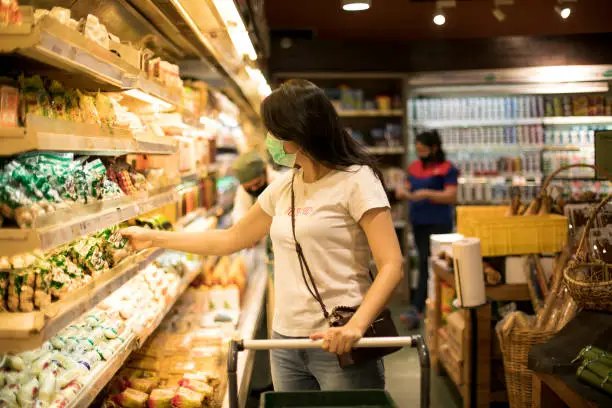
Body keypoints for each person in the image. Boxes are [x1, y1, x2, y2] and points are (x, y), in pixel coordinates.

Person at [122, 79, 403, 392]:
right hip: (285, 343)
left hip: (339, 341)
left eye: (274, 131)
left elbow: (391, 263)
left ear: (297, 132)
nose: (270, 140)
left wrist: (357, 326)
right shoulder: (284, 186)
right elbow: (230, 239)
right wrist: (155, 239)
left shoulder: (356, 181)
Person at [395, 130, 458, 330]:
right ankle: (419, 308)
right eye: (417, 148)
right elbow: (402, 188)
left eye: (422, 148)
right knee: (423, 263)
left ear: (434, 148)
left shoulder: (447, 168)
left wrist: (426, 194)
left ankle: (440, 307)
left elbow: (451, 196)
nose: (419, 152)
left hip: (440, 224)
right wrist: (403, 192)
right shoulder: (413, 168)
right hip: (419, 223)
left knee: (440, 265)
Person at [232, 150, 280, 224]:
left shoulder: (280, 183)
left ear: (265, 172)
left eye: (257, 184)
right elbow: (239, 214)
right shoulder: (242, 190)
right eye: (248, 187)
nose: (253, 189)